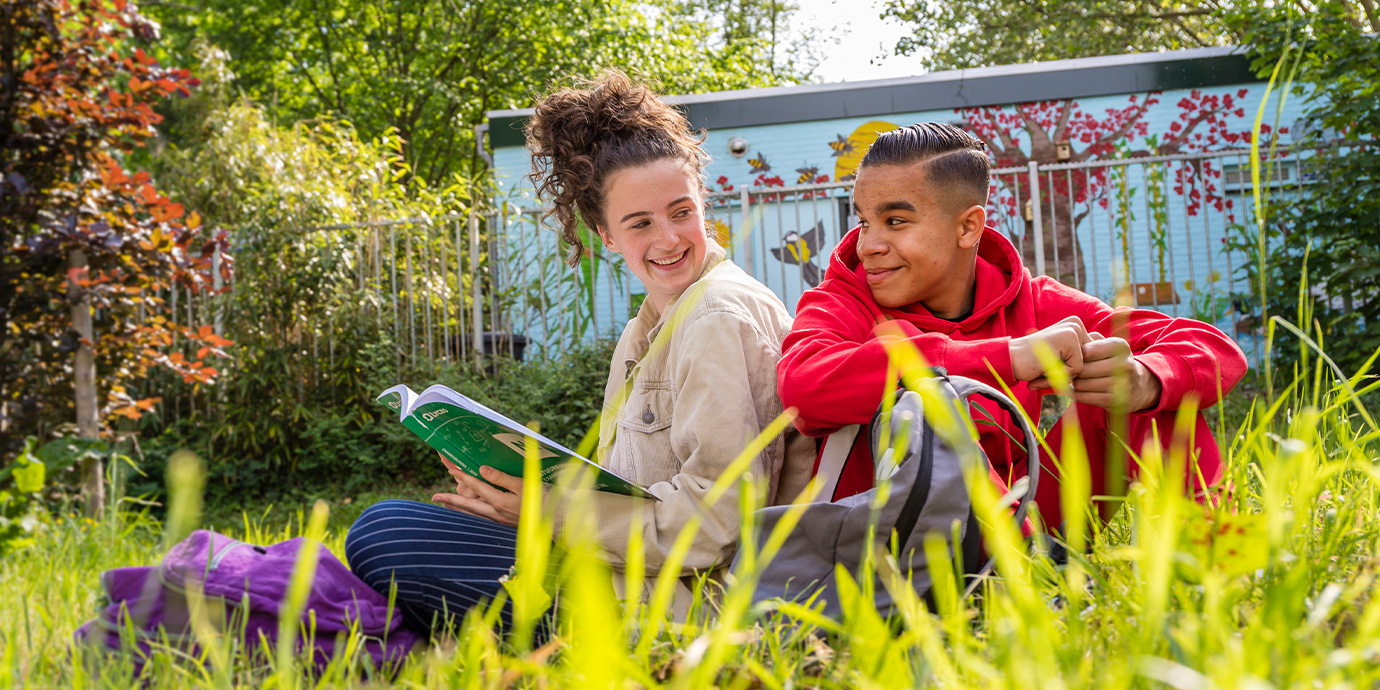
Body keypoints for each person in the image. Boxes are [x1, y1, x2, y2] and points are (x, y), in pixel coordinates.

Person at [345, 71, 815, 633]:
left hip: (688, 607)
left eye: (681, 211)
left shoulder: (717, 315)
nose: (668, 238)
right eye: (640, 223)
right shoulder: (651, 325)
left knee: (386, 534)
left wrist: (541, 515)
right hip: (629, 570)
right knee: (395, 525)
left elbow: (716, 529)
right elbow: (625, 486)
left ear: (703, 204)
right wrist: (514, 499)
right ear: (606, 234)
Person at [776, 122, 1247, 531]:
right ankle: (1019, 584)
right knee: (932, 401)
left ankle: (1223, 568)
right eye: (863, 221)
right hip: (904, 543)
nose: (867, 245)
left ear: (968, 228)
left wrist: (1148, 380)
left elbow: (1212, 347)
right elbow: (802, 386)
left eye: (895, 221)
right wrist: (1005, 358)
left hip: (1028, 518)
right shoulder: (841, 300)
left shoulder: (1031, 299)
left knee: (1149, 398)